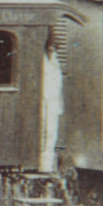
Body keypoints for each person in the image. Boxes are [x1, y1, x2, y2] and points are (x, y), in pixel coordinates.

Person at [40, 38, 64, 172]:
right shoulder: (43, 63)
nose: (52, 53)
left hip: (53, 102)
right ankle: (41, 162)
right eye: (50, 50)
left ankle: (47, 164)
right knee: (42, 131)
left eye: (55, 50)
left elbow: (58, 87)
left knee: (51, 133)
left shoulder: (56, 64)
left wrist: (60, 105)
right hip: (43, 101)